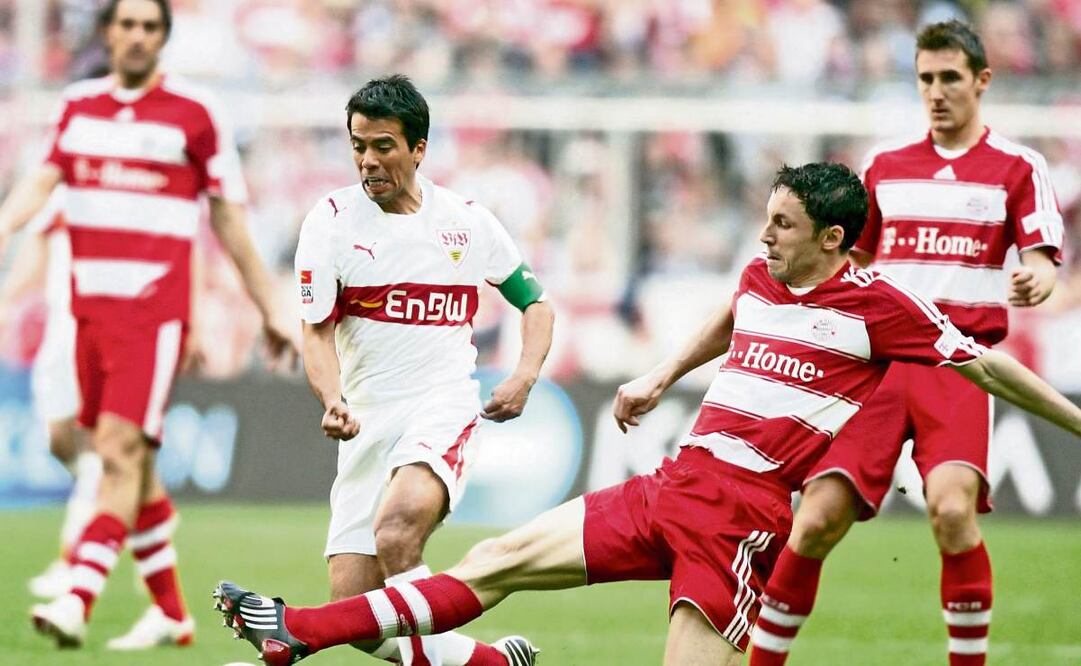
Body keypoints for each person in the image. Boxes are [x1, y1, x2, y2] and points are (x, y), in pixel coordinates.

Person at [213, 162, 1081, 666]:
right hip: (668, 488)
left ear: (833, 240)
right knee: (495, 558)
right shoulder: (758, 277)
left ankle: (300, 634)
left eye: (782, 224)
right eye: (765, 219)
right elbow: (730, 316)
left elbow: (991, 369)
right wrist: (662, 374)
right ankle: (296, 633)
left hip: (737, 522)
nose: (764, 235)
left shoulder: (879, 307)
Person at [747, 21, 1064, 666]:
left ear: (981, 80)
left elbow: (1044, 259)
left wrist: (1038, 275)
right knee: (813, 523)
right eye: (926, 78)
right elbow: (852, 261)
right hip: (878, 368)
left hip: (961, 366)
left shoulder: (1018, 167)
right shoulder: (886, 167)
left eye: (951, 77)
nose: (937, 91)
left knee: (951, 514)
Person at [0, 0, 296, 649]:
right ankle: (171, 611)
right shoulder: (78, 106)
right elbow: (41, 180)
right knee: (130, 462)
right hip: (85, 313)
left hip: (151, 312)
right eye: (126, 24)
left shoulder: (195, 115)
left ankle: (78, 593)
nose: (136, 37)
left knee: (116, 451)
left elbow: (228, 222)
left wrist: (269, 306)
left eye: (150, 27)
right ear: (108, 32)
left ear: (164, 38)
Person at [290, 75, 554, 666]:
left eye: (383, 145)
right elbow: (316, 332)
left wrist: (524, 374)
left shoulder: (465, 221)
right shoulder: (330, 222)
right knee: (355, 616)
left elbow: (536, 304)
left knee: (397, 531)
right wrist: (332, 397)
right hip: (365, 420)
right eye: (358, 145)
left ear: (418, 148)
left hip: (441, 404)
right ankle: (490, 663)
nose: (367, 160)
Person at [0, 190, 102, 601]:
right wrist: (8, 301)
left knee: (95, 443)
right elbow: (38, 251)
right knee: (59, 440)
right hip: (59, 335)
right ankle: (111, 497)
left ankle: (74, 560)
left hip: (95, 329)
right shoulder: (60, 189)